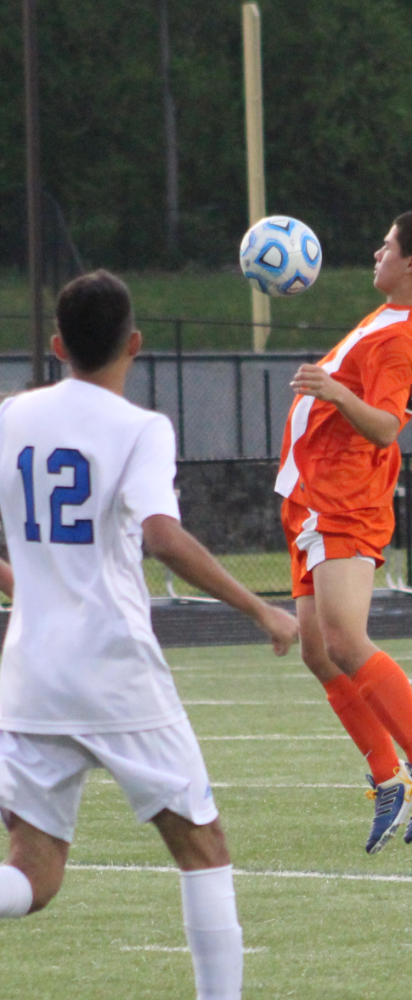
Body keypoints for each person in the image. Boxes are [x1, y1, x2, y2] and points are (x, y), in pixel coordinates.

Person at [0, 270, 298, 1000]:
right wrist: (260, 609)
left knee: (32, 877)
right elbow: (162, 537)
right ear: (134, 344)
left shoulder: (10, 415)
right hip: (113, 669)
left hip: (31, 676)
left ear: (56, 343)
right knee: (203, 847)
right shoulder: (141, 429)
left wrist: (27, 585)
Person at [275, 210, 412, 855]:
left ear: (411, 264)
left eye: (385, 246)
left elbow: (385, 426)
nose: (376, 253)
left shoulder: (396, 338)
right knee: (317, 650)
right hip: (311, 492)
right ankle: (387, 777)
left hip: (345, 491)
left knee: (346, 639)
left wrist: (331, 389)